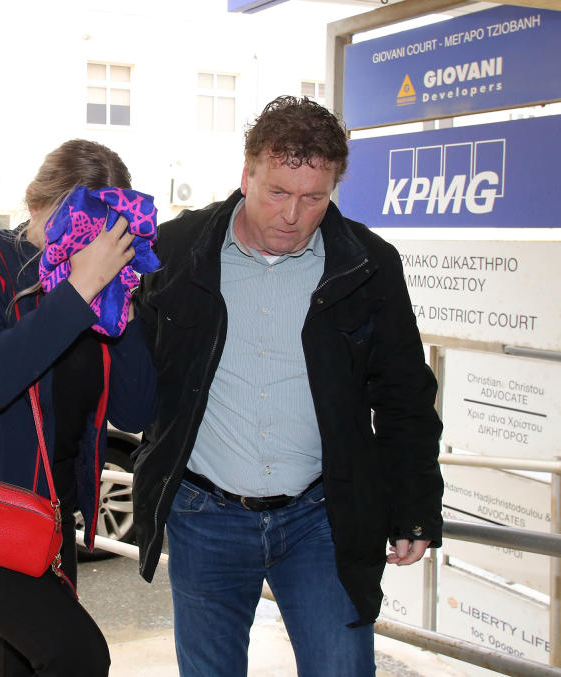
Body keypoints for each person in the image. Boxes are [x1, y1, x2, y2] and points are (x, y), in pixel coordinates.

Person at [132, 96, 443, 676]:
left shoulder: (370, 264)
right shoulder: (172, 253)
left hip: (323, 518)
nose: (293, 215)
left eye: (313, 198)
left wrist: (415, 507)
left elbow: (404, 397)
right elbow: (130, 383)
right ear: (246, 174)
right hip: (205, 514)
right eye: (277, 192)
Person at [0, 139, 157, 677]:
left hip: (49, 513)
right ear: (36, 204)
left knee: (25, 665)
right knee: (77, 655)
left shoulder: (105, 287)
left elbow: (137, 412)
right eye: (71, 222)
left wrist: (122, 302)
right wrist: (80, 287)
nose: (79, 240)